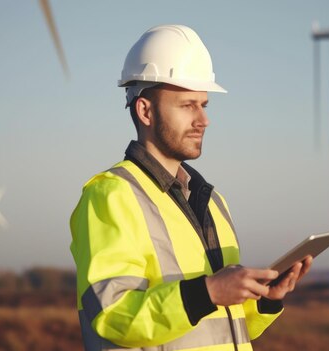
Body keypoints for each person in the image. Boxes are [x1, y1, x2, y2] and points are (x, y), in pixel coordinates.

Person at [70, 24, 312, 351]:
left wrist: (266, 300)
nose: (203, 119)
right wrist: (207, 292)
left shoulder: (212, 201)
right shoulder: (111, 195)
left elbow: (225, 326)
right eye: (188, 105)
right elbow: (111, 315)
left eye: (204, 105)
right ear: (145, 110)